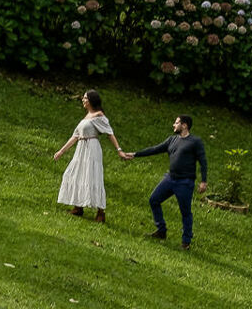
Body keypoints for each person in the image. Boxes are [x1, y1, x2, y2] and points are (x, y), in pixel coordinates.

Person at [122, 114, 208, 248]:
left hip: (185, 182)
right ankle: (161, 230)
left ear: (184, 125)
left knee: (185, 212)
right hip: (170, 179)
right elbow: (155, 149)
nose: (174, 125)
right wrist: (135, 154)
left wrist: (203, 181)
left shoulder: (195, 142)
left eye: (176, 123)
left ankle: (186, 241)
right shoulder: (172, 140)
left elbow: (203, 161)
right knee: (154, 200)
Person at [53, 90, 124, 222]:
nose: (83, 100)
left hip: (92, 148)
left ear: (91, 100)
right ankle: (78, 206)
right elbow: (75, 136)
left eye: (85, 98)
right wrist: (61, 151)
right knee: (75, 173)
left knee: (92, 176)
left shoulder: (99, 115)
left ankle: (100, 212)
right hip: (81, 149)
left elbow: (110, 133)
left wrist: (119, 150)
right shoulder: (86, 116)